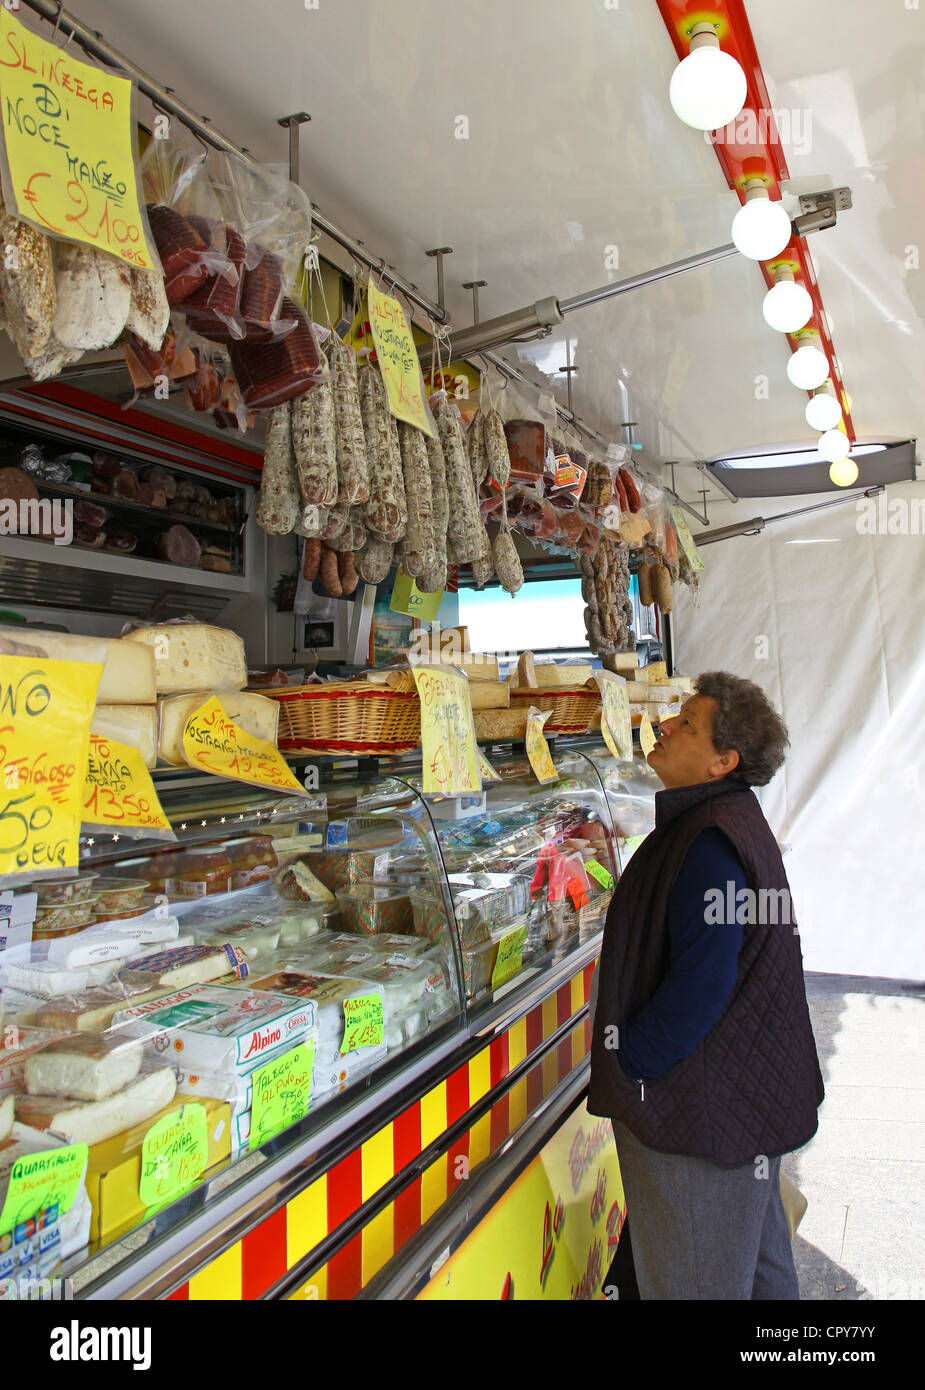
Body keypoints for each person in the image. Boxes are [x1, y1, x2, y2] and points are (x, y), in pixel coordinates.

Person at [589, 671, 824, 1300]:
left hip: (703, 1117)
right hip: (744, 1102)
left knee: (695, 1278)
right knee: (758, 1268)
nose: (665, 726)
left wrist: (632, 1062)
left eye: (686, 723)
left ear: (724, 761)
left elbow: (702, 985)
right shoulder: (723, 821)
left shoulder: (710, 844)